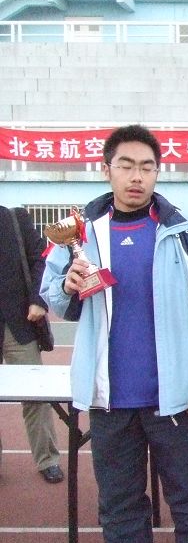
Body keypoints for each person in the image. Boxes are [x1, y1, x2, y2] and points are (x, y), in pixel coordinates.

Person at [41, 124, 188, 543]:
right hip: (110, 400)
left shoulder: (183, 231)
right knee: (120, 506)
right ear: (107, 169)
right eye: (126, 166)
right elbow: (53, 296)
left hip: (175, 398)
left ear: (157, 172)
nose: (136, 176)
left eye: (147, 167)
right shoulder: (81, 231)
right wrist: (67, 287)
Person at [0, 205, 63, 484]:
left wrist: (39, 300)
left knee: (36, 396)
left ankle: (47, 459)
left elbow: (40, 260)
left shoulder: (16, 218)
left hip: (19, 323)